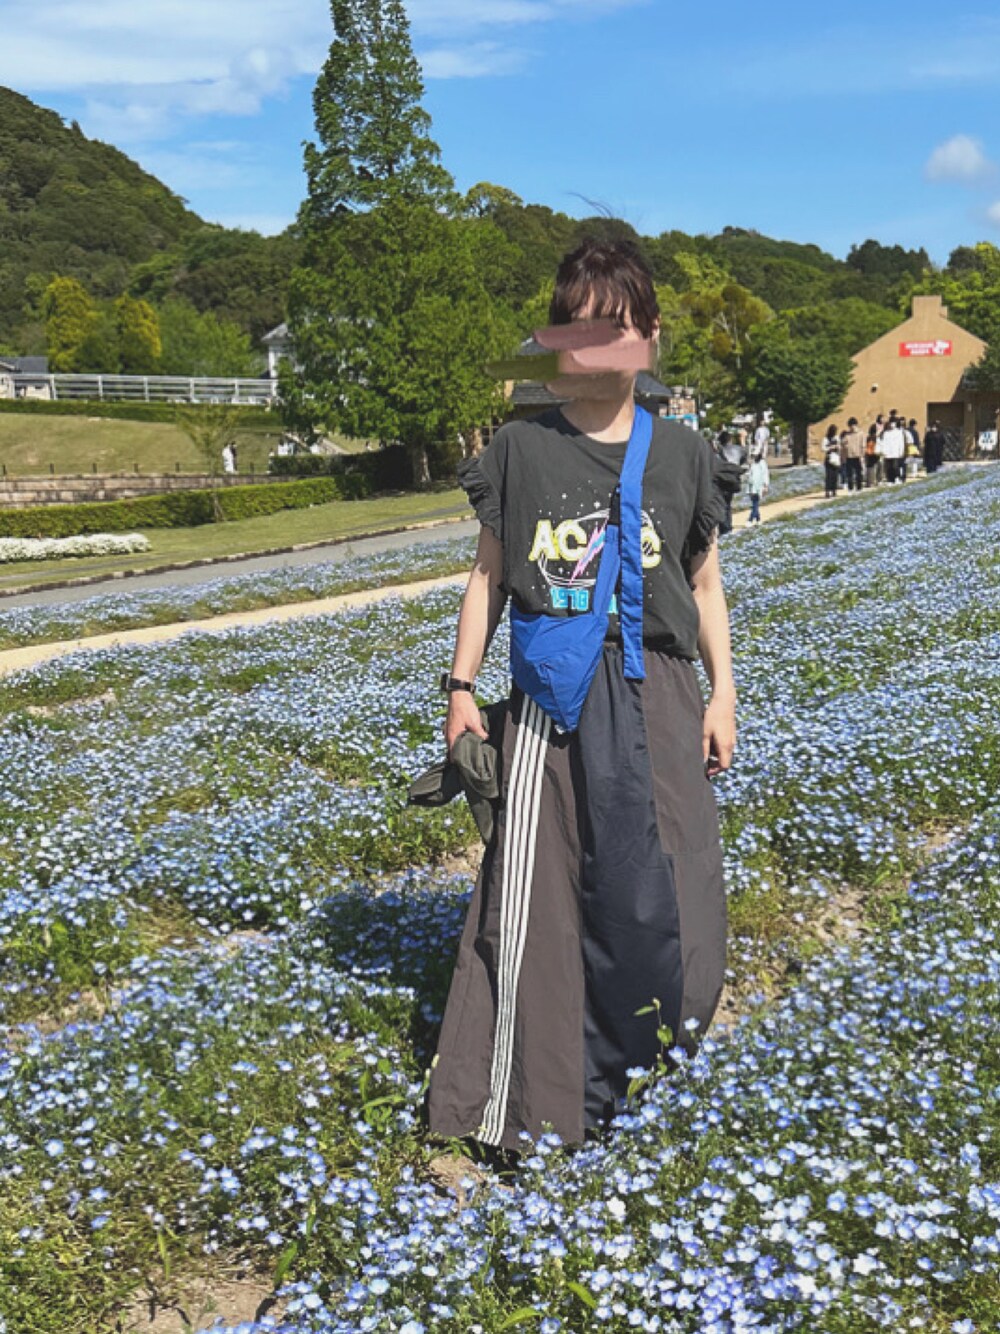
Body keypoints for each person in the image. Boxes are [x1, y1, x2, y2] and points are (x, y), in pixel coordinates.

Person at [427, 238, 740, 1153]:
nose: (599, 349)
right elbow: (487, 577)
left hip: (661, 694)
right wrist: (460, 689)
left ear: (650, 334)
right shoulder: (522, 448)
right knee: (538, 904)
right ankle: (530, 1107)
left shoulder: (683, 453)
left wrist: (724, 694)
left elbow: (706, 585)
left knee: (669, 896)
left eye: (618, 329)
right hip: (553, 704)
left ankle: (648, 1079)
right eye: (580, 330)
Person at [880, 415, 906, 484]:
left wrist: (901, 451)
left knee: (895, 466)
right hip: (888, 453)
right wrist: (883, 451)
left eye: (894, 423)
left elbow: (901, 443)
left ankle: (897, 477)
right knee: (889, 467)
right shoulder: (886, 433)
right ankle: (890, 480)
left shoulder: (899, 432)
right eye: (891, 423)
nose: (892, 424)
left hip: (896, 452)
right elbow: (883, 443)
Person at [841, 417, 865, 492]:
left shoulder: (861, 434)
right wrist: (845, 446)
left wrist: (862, 456)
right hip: (849, 456)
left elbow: (863, 445)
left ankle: (859, 488)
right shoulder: (847, 435)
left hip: (858, 456)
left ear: (856, 425)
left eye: (853, 425)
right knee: (849, 474)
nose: (851, 427)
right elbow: (842, 443)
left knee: (858, 473)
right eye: (850, 426)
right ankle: (850, 488)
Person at [746, 448, 769, 523]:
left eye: (755, 455)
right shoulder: (752, 463)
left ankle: (750, 520)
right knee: (754, 503)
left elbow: (765, 474)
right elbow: (750, 474)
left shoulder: (762, 463)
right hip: (752, 486)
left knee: (755, 503)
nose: (754, 457)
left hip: (759, 486)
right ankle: (758, 519)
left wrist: (765, 486)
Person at [823, 424, 841, 497]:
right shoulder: (826, 439)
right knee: (829, 476)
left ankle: (834, 490)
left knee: (835, 476)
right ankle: (827, 491)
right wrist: (830, 448)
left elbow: (840, 446)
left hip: (836, 458)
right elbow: (823, 448)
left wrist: (837, 447)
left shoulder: (837, 438)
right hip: (829, 458)